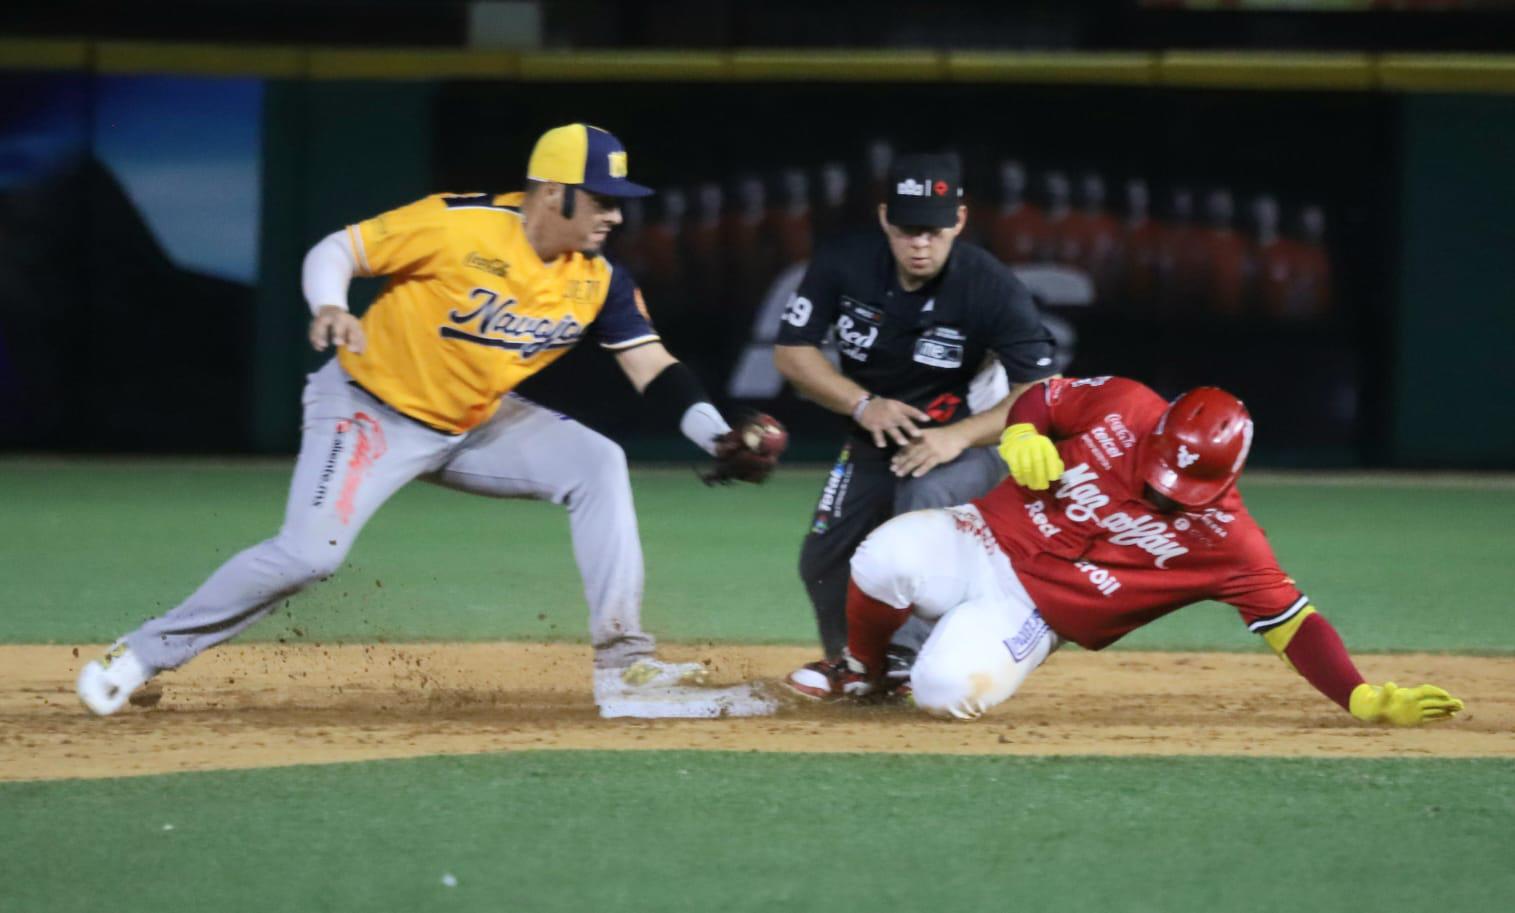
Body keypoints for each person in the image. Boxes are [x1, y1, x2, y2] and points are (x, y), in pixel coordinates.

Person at [76, 123, 779, 719]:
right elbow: (338, 249)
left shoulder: (596, 276)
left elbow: (652, 365)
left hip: (478, 422)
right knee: (309, 555)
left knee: (598, 461)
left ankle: (624, 669)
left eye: (620, 203)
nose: (615, 216)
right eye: (600, 199)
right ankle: (142, 652)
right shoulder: (459, 225)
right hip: (367, 410)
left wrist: (714, 433)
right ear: (549, 192)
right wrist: (329, 302)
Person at [785, 375, 1466, 729]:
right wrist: (1024, 430)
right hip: (981, 536)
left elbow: (1292, 621)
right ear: (1161, 423)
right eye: (1165, 466)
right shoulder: (1122, 404)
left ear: (1228, 477)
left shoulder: (1228, 540)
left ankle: (915, 671)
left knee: (943, 693)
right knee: (881, 555)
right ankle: (865, 671)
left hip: (1027, 606)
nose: (1168, 492)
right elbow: (1043, 398)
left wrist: (1359, 696)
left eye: (1189, 486)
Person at [773, 152, 1058, 689]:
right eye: (908, 230)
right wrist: (861, 403)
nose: (920, 243)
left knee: (918, 507)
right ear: (885, 219)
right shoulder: (845, 263)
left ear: (959, 221)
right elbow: (792, 352)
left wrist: (957, 437)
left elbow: (1038, 392)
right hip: (875, 433)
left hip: (970, 439)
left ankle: (902, 662)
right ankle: (858, 666)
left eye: (932, 229)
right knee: (823, 553)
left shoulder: (988, 286)